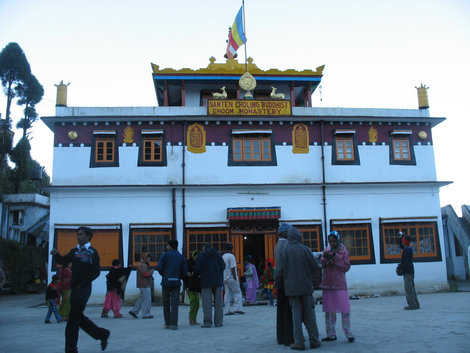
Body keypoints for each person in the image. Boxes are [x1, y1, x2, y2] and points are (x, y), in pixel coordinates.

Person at [50, 226, 110, 353]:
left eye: (81, 234)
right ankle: (102, 334)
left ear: (88, 236)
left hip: (84, 289)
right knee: (78, 317)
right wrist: (56, 254)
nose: (78, 236)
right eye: (77, 234)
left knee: (73, 319)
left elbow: (96, 271)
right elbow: (63, 261)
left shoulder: (92, 252)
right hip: (74, 289)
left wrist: (84, 282)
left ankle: (71, 348)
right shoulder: (75, 251)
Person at [279, 226, 321, 350]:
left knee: (296, 315)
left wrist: (278, 285)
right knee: (309, 313)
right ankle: (314, 340)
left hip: (291, 288)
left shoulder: (284, 251)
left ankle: (299, 341)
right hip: (306, 286)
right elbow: (315, 267)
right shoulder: (305, 250)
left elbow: (279, 271)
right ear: (299, 237)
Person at [320, 231, 355, 343]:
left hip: (340, 284)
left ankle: (348, 333)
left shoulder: (344, 252)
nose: (332, 244)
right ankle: (330, 334)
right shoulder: (326, 250)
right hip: (328, 284)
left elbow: (346, 267)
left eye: (334, 241)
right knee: (329, 311)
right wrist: (325, 259)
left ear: (339, 240)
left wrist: (335, 258)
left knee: (345, 310)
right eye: (330, 242)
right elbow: (322, 265)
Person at [157, 239, 188, 330]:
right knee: (175, 303)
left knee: (166, 302)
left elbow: (159, 267)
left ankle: (167, 323)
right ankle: (174, 324)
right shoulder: (181, 256)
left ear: (170, 246)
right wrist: (179, 277)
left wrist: (164, 275)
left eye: (167, 245)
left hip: (166, 282)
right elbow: (185, 271)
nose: (167, 247)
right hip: (176, 282)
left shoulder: (165, 255)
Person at [193, 242, 225, 328]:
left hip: (205, 281)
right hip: (217, 280)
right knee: (218, 302)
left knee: (207, 303)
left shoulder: (201, 256)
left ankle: (207, 322)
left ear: (203, 247)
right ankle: (218, 322)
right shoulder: (218, 254)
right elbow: (223, 266)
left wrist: (199, 274)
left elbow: (197, 269)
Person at [274, 223, 294, 347]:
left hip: (281, 281)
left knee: (281, 311)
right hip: (286, 282)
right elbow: (281, 268)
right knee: (287, 311)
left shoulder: (278, 245)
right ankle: (287, 337)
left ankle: (281, 336)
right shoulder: (285, 245)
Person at [397, 232, 420, 310]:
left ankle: (412, 305)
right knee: (412, 288)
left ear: (405, 242)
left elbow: (405, 263)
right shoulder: (408, 249)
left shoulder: (406, 251)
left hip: (407, 272)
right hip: (411, 271)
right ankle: (416, 303)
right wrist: (401, 237)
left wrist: (399, 266)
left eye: (403, 240)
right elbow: (401, 245)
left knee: (408, 289)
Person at [129, 252, 155, 319]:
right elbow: (145, 274)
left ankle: (134, 311)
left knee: (143, 298)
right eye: (149, 258)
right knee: (147, 300)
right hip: (144, 284)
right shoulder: (142, 265)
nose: (150, 260)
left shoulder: (142, 264)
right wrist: (151, 272)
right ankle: (146, 314)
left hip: (143, 284)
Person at [222, 243, 244, 315]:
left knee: (227, 293)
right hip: (231, 277)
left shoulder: (223, 256)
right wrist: (235, 277)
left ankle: (227, 310)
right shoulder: (231, 256)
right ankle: (237, 308)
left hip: (224, 277)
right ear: (231, 249)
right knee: (237, 292)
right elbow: (233, 267)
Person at [185, 250, 201, 326]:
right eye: (196, 256)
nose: (196, 258)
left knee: (197, 303)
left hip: (196, 286)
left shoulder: (197, 263)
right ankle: (191, 319)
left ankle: (194, 319)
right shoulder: (188, 263)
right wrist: (195, 275)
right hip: (190, 286)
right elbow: (188, 274)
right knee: (193, 302)